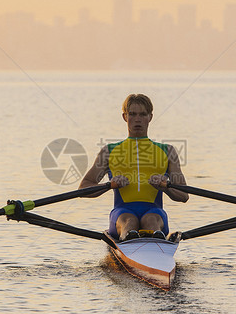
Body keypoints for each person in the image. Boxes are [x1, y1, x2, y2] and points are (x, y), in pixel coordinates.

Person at [79, 93, 188, 241]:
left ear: (150, 117)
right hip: (121, 213)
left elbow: (184, 196)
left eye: (143, 114)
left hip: (155, 213)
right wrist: (110, 185)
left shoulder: (168, 151)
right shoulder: (109, 151)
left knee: (150, 221)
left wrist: (165, 187)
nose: (137, 119)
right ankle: (131, 238)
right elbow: (83, 189)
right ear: (125, 117)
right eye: (132, 114)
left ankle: (150, 240)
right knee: (130, 222)